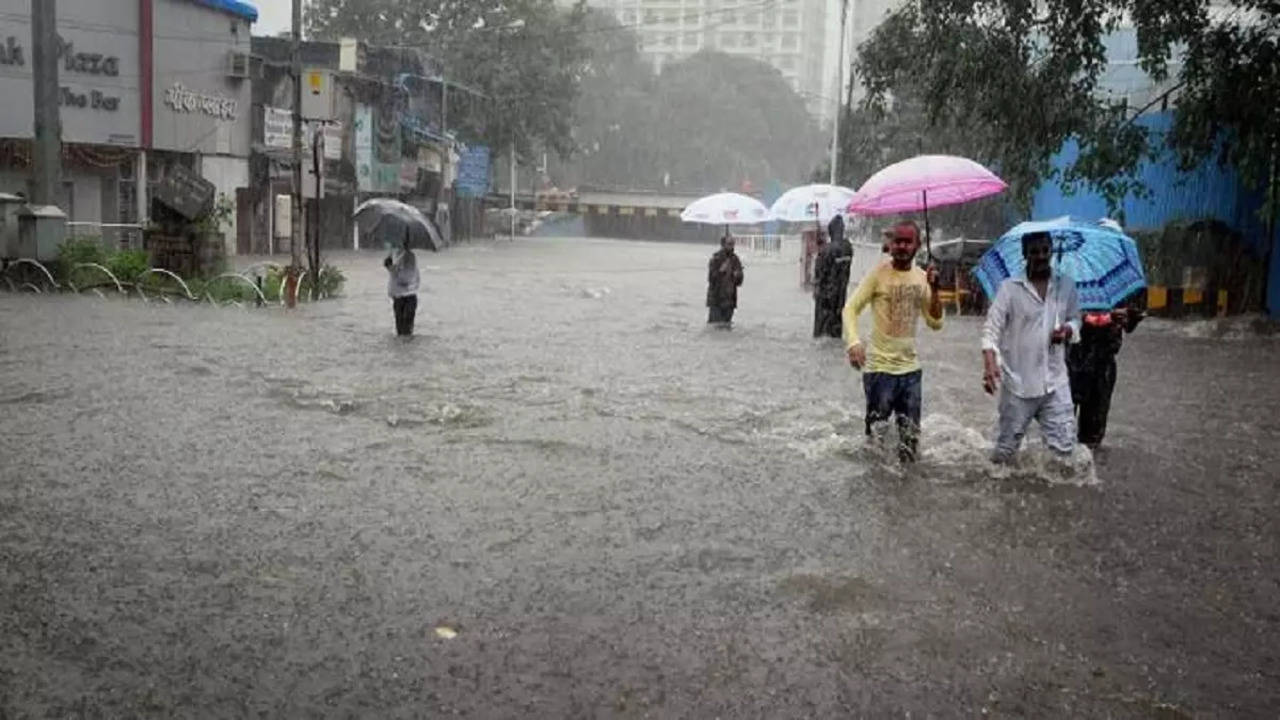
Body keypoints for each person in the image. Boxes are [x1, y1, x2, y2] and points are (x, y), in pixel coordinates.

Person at [843, 221, 943, 462]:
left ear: (917, 246)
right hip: (879, 370)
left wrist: (936, 289)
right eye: (897, 241)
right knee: (875, 442)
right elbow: (850, 309)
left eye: (908, 241)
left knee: (910, 445)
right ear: (890, 244)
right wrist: (854, 342)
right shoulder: (877, 275)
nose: (901, 246)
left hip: (910, 371)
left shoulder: (922, 278)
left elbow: (936, 322)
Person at [981, 231, 1082, 463]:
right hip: (1018, 384)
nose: (1041, 256)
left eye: (1046, 250)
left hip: (1055, 383)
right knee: (1005, 455)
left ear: (1052, 252)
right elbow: (990, 329)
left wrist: (1067, 330)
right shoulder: (1009, 288)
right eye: (1034, 251)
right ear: (1025, 254)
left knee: (1065, 453)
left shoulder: (1066, 285)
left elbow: (1077, 319)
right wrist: (989, 366)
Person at [1068, 292, 1144, 448]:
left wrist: (1127, 316)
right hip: (1070, 361)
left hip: (1103, 364)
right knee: (1059, 429)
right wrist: (1088, 318)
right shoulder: (1063, 281)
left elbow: (1132, 320)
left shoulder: (1117, 285)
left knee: (1092, 436)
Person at [813, 214, 853, 338]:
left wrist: (820, 248)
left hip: (825, 296)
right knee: (836, 327)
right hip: (841, 294)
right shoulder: (848, 247)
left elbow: (819, 273)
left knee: (822, 331)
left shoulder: (826, 250)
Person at [384, 231, 421, 336]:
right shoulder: (397, 254)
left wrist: (391, 268)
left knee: (405, 332)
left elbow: (405, 279)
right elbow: (396, 277)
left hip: (407, 296)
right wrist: (390, 266)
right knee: (401, 332)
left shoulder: (410, 257)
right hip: (399, 296)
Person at [706, 233, 744, 326]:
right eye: (729, 244)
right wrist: (721, 271)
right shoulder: (715, 259)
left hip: (730, 301)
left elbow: (739, 282)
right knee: (714, 327)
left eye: (733, 244)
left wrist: (738, 275)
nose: (732, 246)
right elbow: (711, 279)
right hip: (716, 301)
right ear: (723, 244)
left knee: (727, 327)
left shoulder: (735, 259)